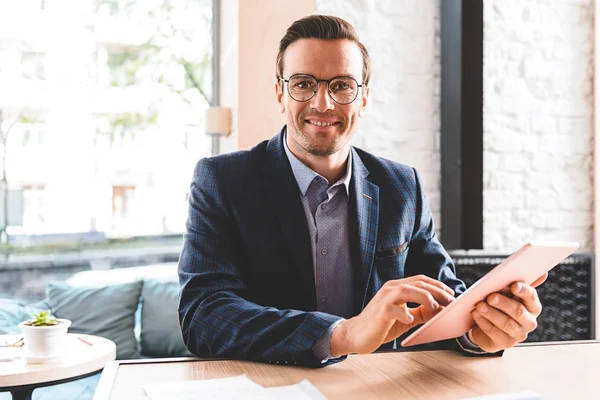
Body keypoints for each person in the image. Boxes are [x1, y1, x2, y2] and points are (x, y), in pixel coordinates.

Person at [178, 15, 545, 368]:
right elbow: (204, 315)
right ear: (280, 94)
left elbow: (443, 300)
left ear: (364, 99)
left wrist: (480, 331)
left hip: (379, 389)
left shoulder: (402, 186)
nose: (323, 103)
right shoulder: (223, 181)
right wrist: (343, 334)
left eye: (341, 86)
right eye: (304, 84)